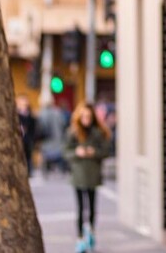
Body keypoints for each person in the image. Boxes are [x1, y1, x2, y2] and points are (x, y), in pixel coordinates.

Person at [64, 102, 112, 253]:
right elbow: (66, 152)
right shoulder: (73, 132)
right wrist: (77, 152)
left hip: (92, 174)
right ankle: (79, 238)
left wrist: (93, 152)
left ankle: (90, 233)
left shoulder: (98, 132)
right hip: (78, 174)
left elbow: (105, 151)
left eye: (89, 116)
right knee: (79, 208)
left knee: (91, 207)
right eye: (84, 116)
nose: (86, 119)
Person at [37, 97, 69, 175]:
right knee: (59, 154)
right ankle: (61, 169)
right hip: (58, 139)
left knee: (47, 154)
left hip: (47, 140)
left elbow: (40, 127)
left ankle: (48, 169)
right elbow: (64, 125)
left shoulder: (41, 113)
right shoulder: (58, 112)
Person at [16, 96, 38, 177]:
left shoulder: (31, 116)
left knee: (28, 157)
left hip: (28, 140)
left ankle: (28, 172)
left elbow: (34, 129)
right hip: (19, 140)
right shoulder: (16, 115)